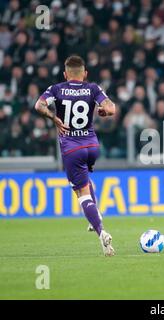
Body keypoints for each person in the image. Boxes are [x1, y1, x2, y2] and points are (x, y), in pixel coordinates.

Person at [34, 55, 116, 257]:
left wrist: (54, 118)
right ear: (85, 73)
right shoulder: (93, 88)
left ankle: (101, 233)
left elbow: (39, 105)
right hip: (92, 146)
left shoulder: (57, 89)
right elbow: (111, 108)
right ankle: (94, 219)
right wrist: (104, 113)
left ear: (65, 74)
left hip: (72, 148)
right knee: (86, 182)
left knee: (81, 193)